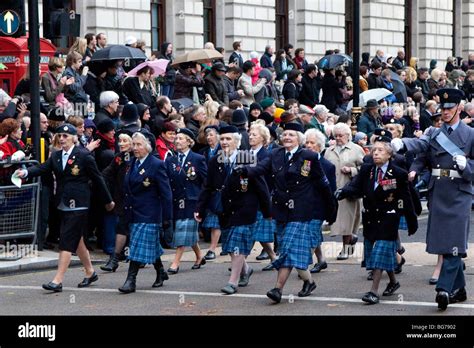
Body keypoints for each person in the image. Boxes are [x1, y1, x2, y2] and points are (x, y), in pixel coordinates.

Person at [391, 88, 473, 310]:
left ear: (459, 108)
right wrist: (403, 144)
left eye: (449, 108)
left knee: (454, 241)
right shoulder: (435, 133)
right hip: (439, 192)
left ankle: (444, 289)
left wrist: (469, 166)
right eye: (442, 109)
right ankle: (460, 289)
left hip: (459, 193)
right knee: (442, 241)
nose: (445, 112)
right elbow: (422, 147)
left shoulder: (471, 134)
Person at [235, 122, 336, 303]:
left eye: (291, 134)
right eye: (285, 134)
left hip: (301, 211)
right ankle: (309, 282)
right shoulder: (275, 154)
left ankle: (277, 289)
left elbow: (323, 184)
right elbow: (260, 168)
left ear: (299, 138)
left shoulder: (309, 156)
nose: (287, 137)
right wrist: (244, 170)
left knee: (287, 248)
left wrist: (331, 209)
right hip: (281, 210)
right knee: (291, 252)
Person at [14, 124, 115, 292]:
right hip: (63, 202)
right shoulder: (56, 156)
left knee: (66, 239)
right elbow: (42, 167)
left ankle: (57, 280)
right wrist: (25, 173)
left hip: (79, 204)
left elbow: (98, 179)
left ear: (74, 138)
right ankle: (90, 272)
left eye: (65, 136)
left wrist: (108, 201)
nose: (61, 139)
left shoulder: (84, 156)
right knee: (77, 240)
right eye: (59, 136)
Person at [336, 130, 418, 304]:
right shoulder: (367, 170)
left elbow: (407, 197)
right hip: (371, 218)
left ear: (389, 154)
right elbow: (356, 187)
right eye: (374, 150)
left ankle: (373, 292)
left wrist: (412, 220)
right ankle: (394, 282)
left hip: (389, 218)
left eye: (381, 150)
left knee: (380, 250)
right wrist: (343, 192)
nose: (376, 153)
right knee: (380, 253)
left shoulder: (398, 173)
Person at [195, 125, 271, 295]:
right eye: (222, 139)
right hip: (225, 210)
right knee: (230, 246)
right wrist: (199, 208)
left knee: (237, 243)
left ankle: (233, 281)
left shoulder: (248, 158)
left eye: (228, 139)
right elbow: (208, 186)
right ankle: (246, 270)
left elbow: (261, 186)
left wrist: (268, 211)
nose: (224, 142)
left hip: (245, 209)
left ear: (237, 141)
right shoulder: (216, 160)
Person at [118, 132, 172, 293]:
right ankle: (161, 272)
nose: (135, 148)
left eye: (138, 144)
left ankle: (130, 280)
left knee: (136, 245)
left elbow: (166, 193)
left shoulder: (157, 164)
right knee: (149, 245)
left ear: (147, 146)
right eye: (133, 144)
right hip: (133, 212)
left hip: (150, 213)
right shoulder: (131, 163)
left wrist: (167, 218)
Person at [165, 128, 207, 273]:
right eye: (176, 138)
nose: (177, 141)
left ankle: (175, 263)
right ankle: (199, 257)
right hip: (177, 200)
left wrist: (202, 202)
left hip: (192, 200)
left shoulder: (198, 159)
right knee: (188, 231)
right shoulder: (170, 160)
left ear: (189, 142)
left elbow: (205, 182)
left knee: (183, 229)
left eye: (181, 138)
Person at [325, 123, 365, 260]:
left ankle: (345, 249)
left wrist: (352, 170)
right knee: (339, 222)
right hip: (334, 191)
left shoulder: (356, 149)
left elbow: (365, 169)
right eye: (335, 136)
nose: (338, 138)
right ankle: (351, 241)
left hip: (349, 191)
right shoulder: (329, 151)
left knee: (347, 222)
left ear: (348, 136)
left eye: (340, 135)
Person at [304, 129, 337, 273]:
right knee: (313, 233)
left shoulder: (328, 166)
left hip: (318, 207)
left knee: (311, 234)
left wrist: (329, 212)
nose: (309, 145)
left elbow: (331, 190)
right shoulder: (303, 161)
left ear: (319, 146)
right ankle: (321, 260)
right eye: (307, 142)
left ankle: (303, 265)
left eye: (312, 143)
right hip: (303, 204)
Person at [101, 133, 134, 272]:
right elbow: (106, 174)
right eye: (119, 141)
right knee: (122, 227)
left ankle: (148, 260)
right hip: (123, 199)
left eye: (125, 141)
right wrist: (94, 180)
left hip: (140, 201)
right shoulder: (118, 157)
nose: (121, 143)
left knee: (140, 230)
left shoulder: (140, 158)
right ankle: (114, 259)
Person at [248, 122, 278, 268]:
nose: (250, 136)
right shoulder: (245, 153)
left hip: (263, 198)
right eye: (250, 134)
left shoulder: (267, 155)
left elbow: (271, 178)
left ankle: (240, 260)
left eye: (254, 135)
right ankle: (273, 258)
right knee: (255, 231)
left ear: (263, 138)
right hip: (248, 198)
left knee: (256, 231)